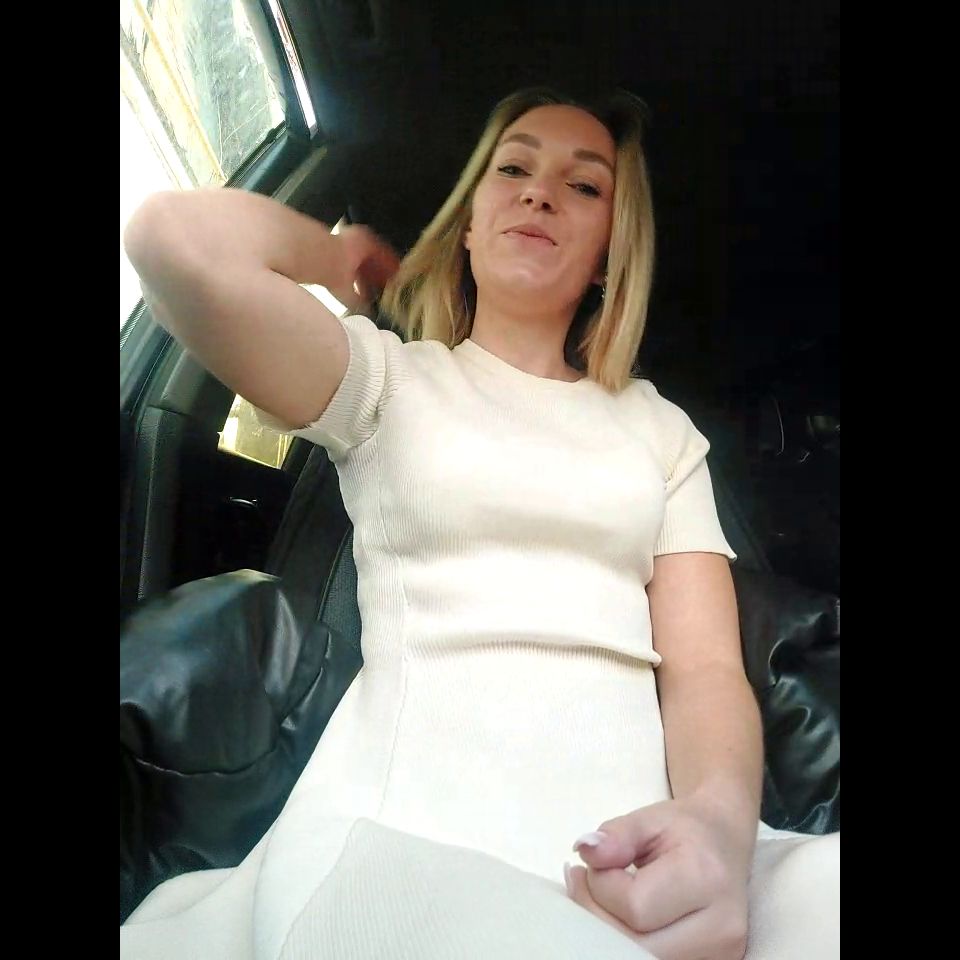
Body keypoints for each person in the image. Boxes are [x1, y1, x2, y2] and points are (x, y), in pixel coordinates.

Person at [121, 87, 839, 960]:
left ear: (610, 252)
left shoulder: (661, 431)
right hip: (409, 841)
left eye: (584, 186)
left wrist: (719, 829)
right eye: (513, 169)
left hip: (638, 841)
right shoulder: (386, 382)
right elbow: (172, 241)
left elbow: (705, 670)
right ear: (468, 223)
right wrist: (333, 254)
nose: (539, 193)